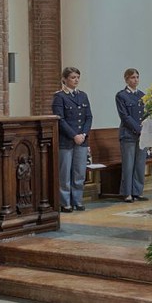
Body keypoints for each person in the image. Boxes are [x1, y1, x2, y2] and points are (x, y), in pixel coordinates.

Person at [52, 67, 93, 212]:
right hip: (66, 140)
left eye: (77, 77)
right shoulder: (60, 97)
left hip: (82, 140)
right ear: (64, 79)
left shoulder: (83, 95)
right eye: (72, 77)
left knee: (79, 172)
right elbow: (60, 119)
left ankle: (77, 200)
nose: (76, 80)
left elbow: (88, 117)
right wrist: (74, 135)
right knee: (65, 173)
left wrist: (83, 134)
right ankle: (65, 202)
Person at [116, 68, 147, 203]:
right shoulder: (121, 95)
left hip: (142, 135)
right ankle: (127, 192)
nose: (135, 80)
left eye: (137, 77)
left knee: (140, 164)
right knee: (128, 165)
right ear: (126, 79)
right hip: (128, 134)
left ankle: (137, 191)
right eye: (133, 77)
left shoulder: (142, 95)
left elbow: (146, 114)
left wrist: (145, 128)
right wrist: (138, 129)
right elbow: (125, 116)